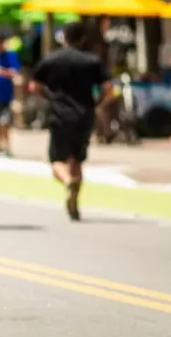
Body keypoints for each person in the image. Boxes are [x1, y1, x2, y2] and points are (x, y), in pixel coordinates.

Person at [28, 22, 112, 221]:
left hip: (59, 113)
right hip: (85, 114)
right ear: (82, 39)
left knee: (57, 160)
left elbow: (34, 86)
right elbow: (108, 88)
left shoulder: (52, 59)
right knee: (77, 159)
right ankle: (75, 203)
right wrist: (97, 103)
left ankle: (67, 182)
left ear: (63, 38)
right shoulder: (92, 61)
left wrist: (49, 96)